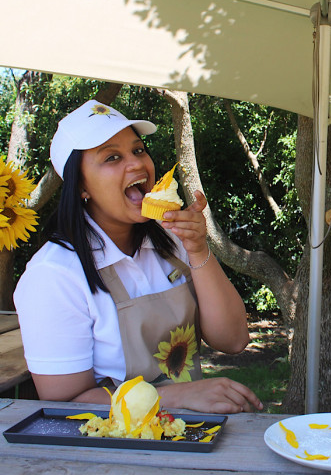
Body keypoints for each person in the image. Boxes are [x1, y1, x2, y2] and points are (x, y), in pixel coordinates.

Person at [14, 100, 263, 414]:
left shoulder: (172, 242)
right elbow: (62, 403)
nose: (136, 164)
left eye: (138, 150)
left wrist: (198, 249)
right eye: (112, 157)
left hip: (193, 433)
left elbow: (233, 340)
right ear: (81, 187)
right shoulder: (53, 275)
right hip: (112, 441)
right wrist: (177, 397)